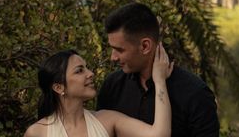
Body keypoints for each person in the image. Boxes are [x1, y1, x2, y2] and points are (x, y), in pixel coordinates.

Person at [97, 3, 220, 137]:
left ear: (145, 46)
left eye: (120, 50)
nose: (113, 57)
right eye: (112, 48)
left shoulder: (195, 94)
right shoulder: (112, 86)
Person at [24, 44, 173, 137]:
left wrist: (159, 81)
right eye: (79, 70)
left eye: (87, 67)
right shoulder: (38, 133)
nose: (90, 73)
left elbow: (159, 134)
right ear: (59, 87)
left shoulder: (107, 120)